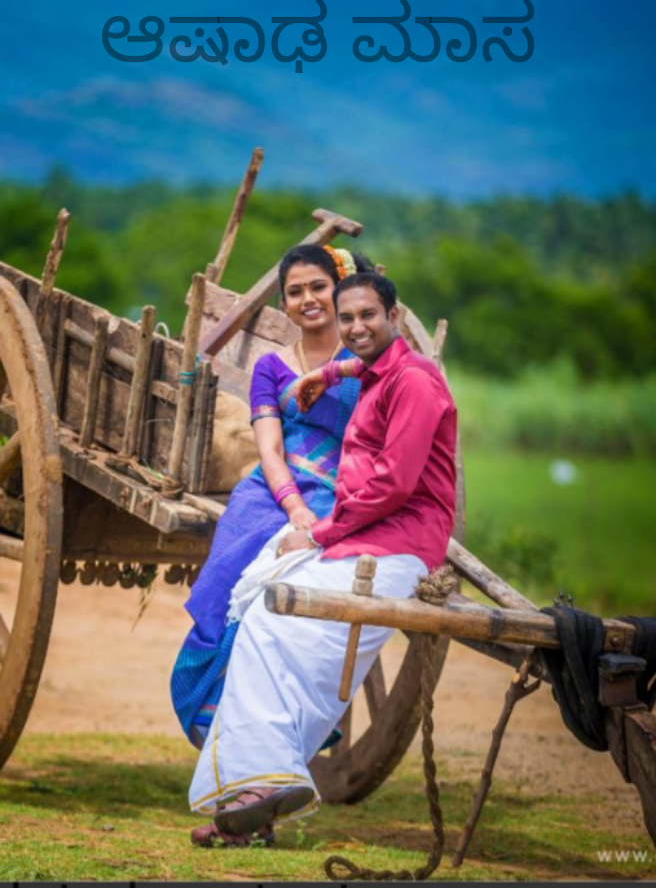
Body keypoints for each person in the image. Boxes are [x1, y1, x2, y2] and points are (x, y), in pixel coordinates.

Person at [187, 271, 458, 845]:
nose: (356, 327)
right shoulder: (377, 371)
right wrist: (325, 374)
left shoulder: (414, 382)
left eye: (369, 316)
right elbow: (360, 365)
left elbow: (393, 484)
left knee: (279, 626)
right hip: (368, 537)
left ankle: (262, 786)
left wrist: (317, 534)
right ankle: (254, 794)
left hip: (399, 543)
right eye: (348, 317)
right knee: (258, 616)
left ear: (393, 317)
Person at [171, 244, 371, 757]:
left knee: (301, 591)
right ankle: (215, 713)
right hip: (270, 492)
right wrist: (294, 508)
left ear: (340, 291)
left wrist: (323, 513)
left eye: (319, 287)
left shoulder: (366, 362)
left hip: (342, 491)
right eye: (296, 292)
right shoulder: (271, 368)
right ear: (284, 304)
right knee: (227, 582)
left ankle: (288, 717)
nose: (309, 299)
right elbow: (270, 449)